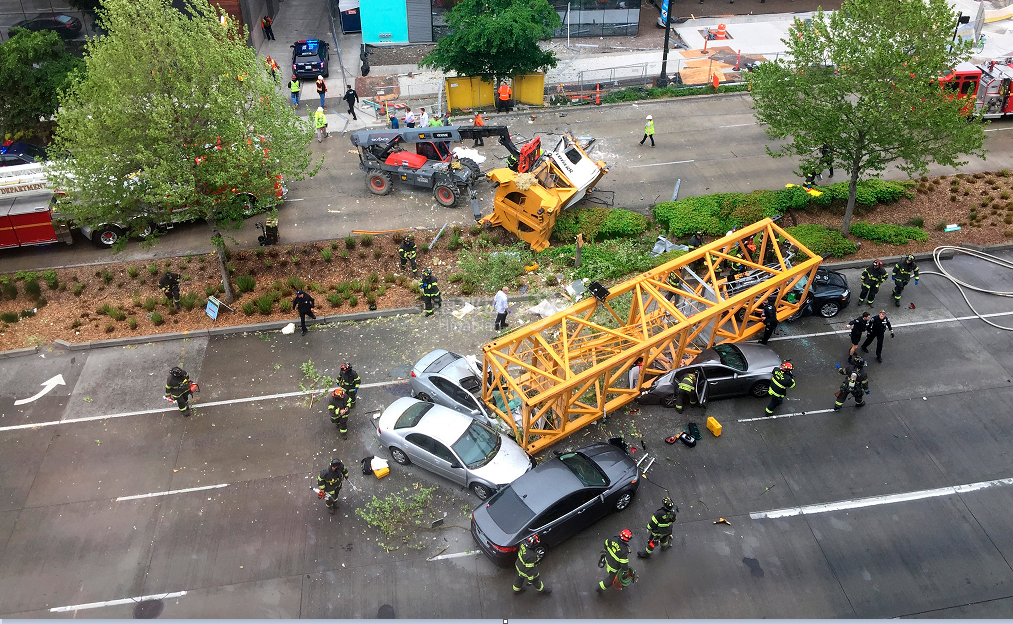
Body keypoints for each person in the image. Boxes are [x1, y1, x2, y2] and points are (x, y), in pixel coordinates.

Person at [597, 529, 633, 595]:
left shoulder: (613, 538)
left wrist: (606, 550)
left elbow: (606, 543)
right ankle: (600, 588)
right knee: (611, 579)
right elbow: (624, 564)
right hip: (614, 567)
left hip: (607, 559)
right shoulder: (624, 550)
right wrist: (625, 571)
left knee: (611, 573)